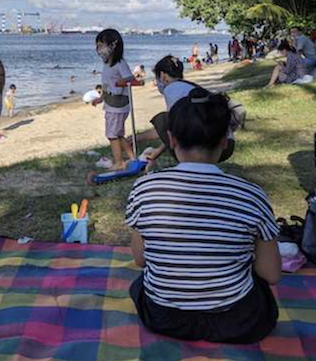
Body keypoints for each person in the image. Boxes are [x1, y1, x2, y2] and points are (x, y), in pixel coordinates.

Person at [126, 87, 281, 343]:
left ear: (171, 139)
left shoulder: (145, 188)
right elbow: (271, 274)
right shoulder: (251, 195)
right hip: (235, 322)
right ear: (224, 141)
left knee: (140, 285)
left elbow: (141, 260)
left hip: (163, 317)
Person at [133, 55, 235, 171]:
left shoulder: (171, 90)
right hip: (221, 141)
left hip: (211, 144)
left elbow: (175, 127)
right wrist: (158, 151)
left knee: (162, 120)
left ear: (162, 76)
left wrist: (138, 139)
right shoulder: (186, 87)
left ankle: (188, 165)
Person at [93, 29, 135, 171]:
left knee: (112, 135)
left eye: (101, 46)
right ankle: (131, 157)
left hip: (118, 105)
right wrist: (101, 98)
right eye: (97, 46)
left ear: (112, 46)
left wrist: (120, 83)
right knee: (119, 133)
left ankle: (119, 162)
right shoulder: (107, 64)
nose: (98, 49)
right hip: (111, 104)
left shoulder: (119, 63)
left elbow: (129, 78)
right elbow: (105, 85)